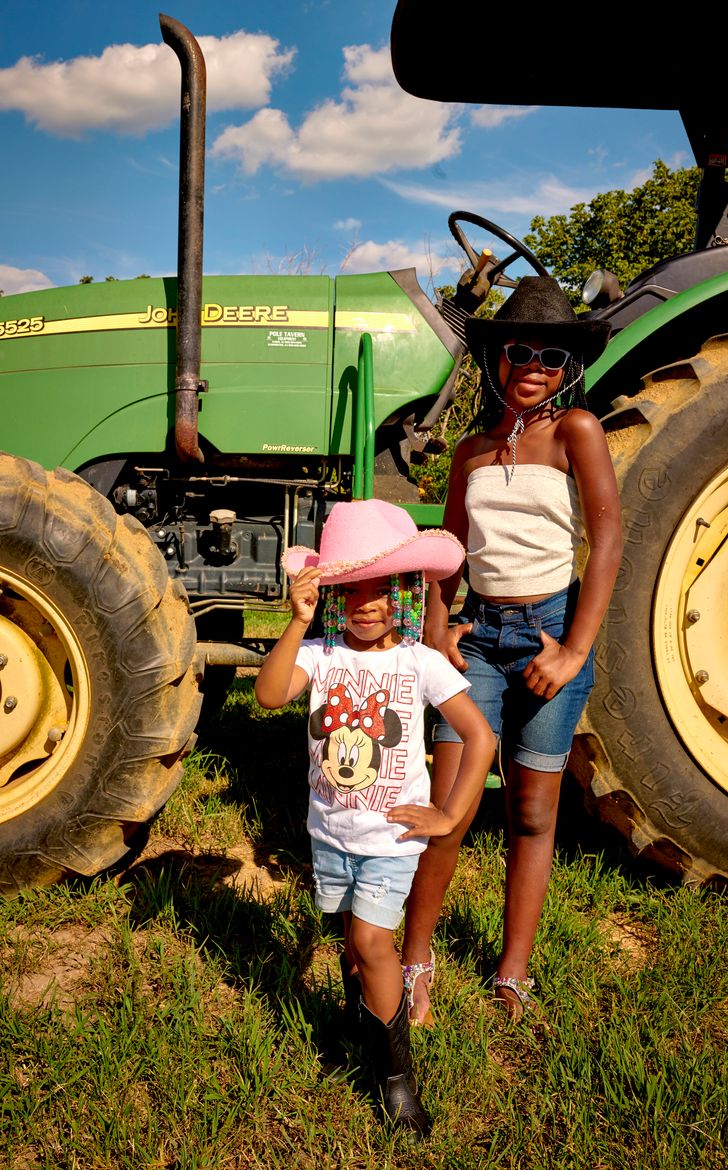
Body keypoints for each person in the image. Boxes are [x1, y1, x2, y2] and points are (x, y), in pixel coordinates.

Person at [400, 274, 623, 1026]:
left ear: (569, 366)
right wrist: (438, 622)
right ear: (498, 358)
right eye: (520, 351)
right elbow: (451, 545)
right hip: (482, 637)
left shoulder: (577, 433)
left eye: (551, 356)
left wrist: (572, 651)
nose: (534, 366)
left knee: (532, 810)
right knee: (447, 805)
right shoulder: (471, 448)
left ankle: (512, 972)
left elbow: (608, 541)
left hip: (553, 631)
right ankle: (413, 964)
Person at [255, 499, 495, 1136]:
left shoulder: (419, 662)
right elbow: (269, 693)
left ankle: (396, 1077)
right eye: (349, 591)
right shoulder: (321, 655)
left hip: (392, 838)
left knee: (371, 942)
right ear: (332, 596)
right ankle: (360, 1025)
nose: (364, 604)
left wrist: (447, 815)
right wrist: (295, 622)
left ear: (401, 592)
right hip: (329, 833)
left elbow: (480, 738)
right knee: (349, 944)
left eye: (377, 591)